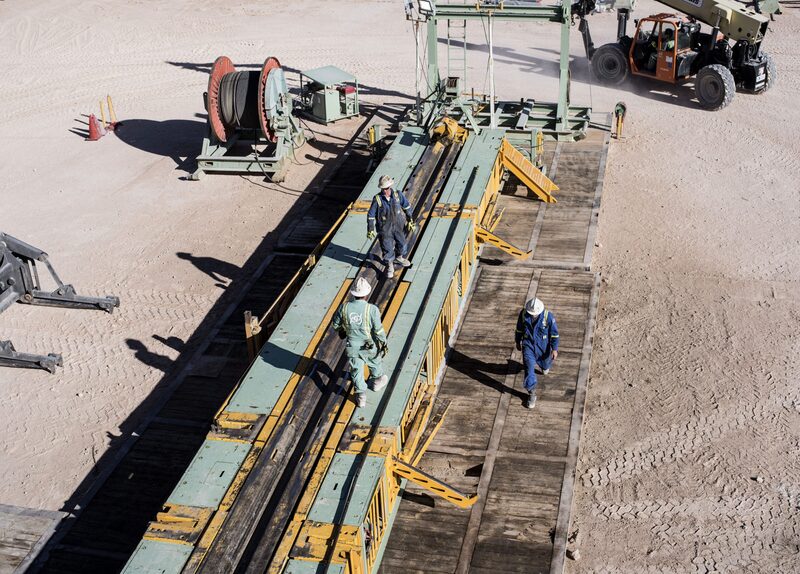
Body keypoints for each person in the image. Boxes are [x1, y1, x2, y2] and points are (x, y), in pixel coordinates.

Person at [332, 277, 389, 408]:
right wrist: (384, 343)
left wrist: (342, 330)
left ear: (353, 293)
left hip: (352, 346)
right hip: (369, 345)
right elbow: (378, 330)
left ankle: (361, 397)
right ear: (366, 294)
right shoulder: (372, 309)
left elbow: (336, 325)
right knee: (375, 363)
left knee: (356, 370)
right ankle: (376, 382)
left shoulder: (344, 307)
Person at [367, 175, 416, 279]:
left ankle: (399, 258)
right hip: (385, 229)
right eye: (383, 189)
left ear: (390, 187)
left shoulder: (398, 195)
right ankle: (390, 266)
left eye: (386, 188)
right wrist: (370, 229)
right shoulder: (377, 199)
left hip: (399, 226)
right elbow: (371, 215)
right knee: (387, 248)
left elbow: (407, 207)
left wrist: (410, 219)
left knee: (402, 244)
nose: (385, 191)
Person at [515, 297, 559, 409]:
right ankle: (532, 393)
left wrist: (554, 349)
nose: (533, 315)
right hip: (528, 346)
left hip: (543, 347)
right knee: (529, 368)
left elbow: (554, 334)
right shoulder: (524, 314)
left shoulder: (548, 317)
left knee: (545, 364)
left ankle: (545, 366)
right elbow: (519, 329)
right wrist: (517, 341)